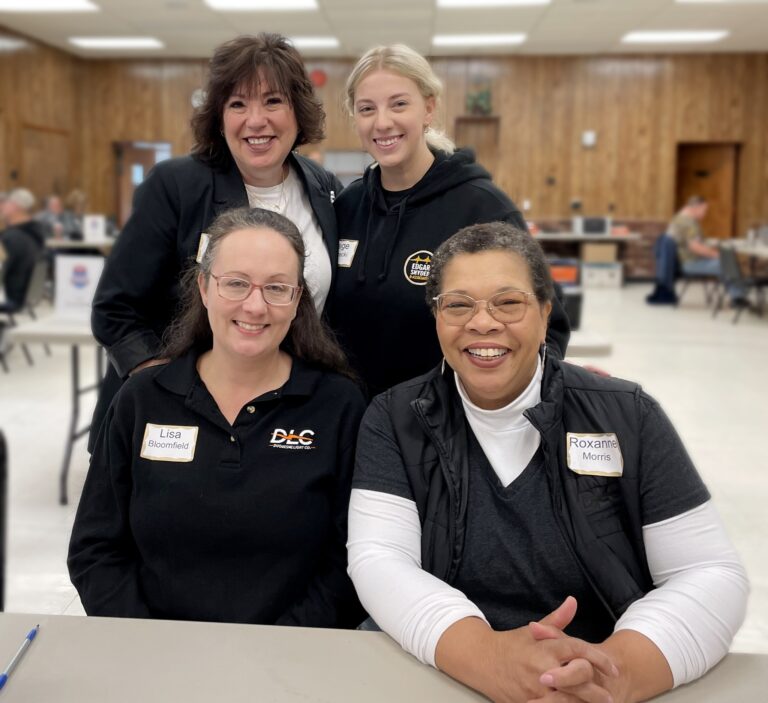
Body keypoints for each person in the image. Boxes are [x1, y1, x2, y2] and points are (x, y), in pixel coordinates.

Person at [347, 222, 749, 703]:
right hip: (447, 669)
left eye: (508, 302)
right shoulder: (393, 419)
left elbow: (709, 572)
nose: (483, 323)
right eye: (458, 304)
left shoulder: (627, 414)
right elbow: (379, 560)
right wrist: (489, 659)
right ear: (436, 317)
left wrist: (610, 674)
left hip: (596, 666)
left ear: (544, 311)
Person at [69, 207, 366, 628]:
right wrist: (147, 642)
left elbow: (351, 557)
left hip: (292, 663)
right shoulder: (142, 399)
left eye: (277, 288)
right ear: (205, 287)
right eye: (236, 284)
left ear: (298, 299)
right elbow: (94, 549)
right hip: (155, 659)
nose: (255, 305)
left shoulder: (338, 405)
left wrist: (279, 652)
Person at [89, 32, 341, 450]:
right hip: (173, 417)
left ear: (298, 112)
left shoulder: (323, 189)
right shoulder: (176, 185)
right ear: (219, 116)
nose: (255, 120)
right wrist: (164, 387)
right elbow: (115, 310)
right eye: (237, 103)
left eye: (273, 101)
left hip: (278, 417)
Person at [328, 44, 569, 397]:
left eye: (399, 104)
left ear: (428, 108)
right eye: (367, 109)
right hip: (356, 424)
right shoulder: (348, 206)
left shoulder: (481, 208)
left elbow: (548, 327)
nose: (382, 122)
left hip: (445, 428)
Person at [669, 195, 746, 305]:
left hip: (683, 261)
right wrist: (717, 254)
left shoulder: (678, 218)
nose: (705, 214)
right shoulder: (689, 223)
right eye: (704, 210)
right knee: (727, 262)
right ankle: (739, 298)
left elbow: (691, 242)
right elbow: (695, 247)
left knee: (725, 262)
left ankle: (737, 295)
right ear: (696, 207)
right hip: (691, 263)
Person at [0, 188, 46, 312]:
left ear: (15, 207)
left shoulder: (11, 239)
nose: (2, 207)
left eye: (5, 203)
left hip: (10, 298)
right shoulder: (35, 234)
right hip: (25, 297)